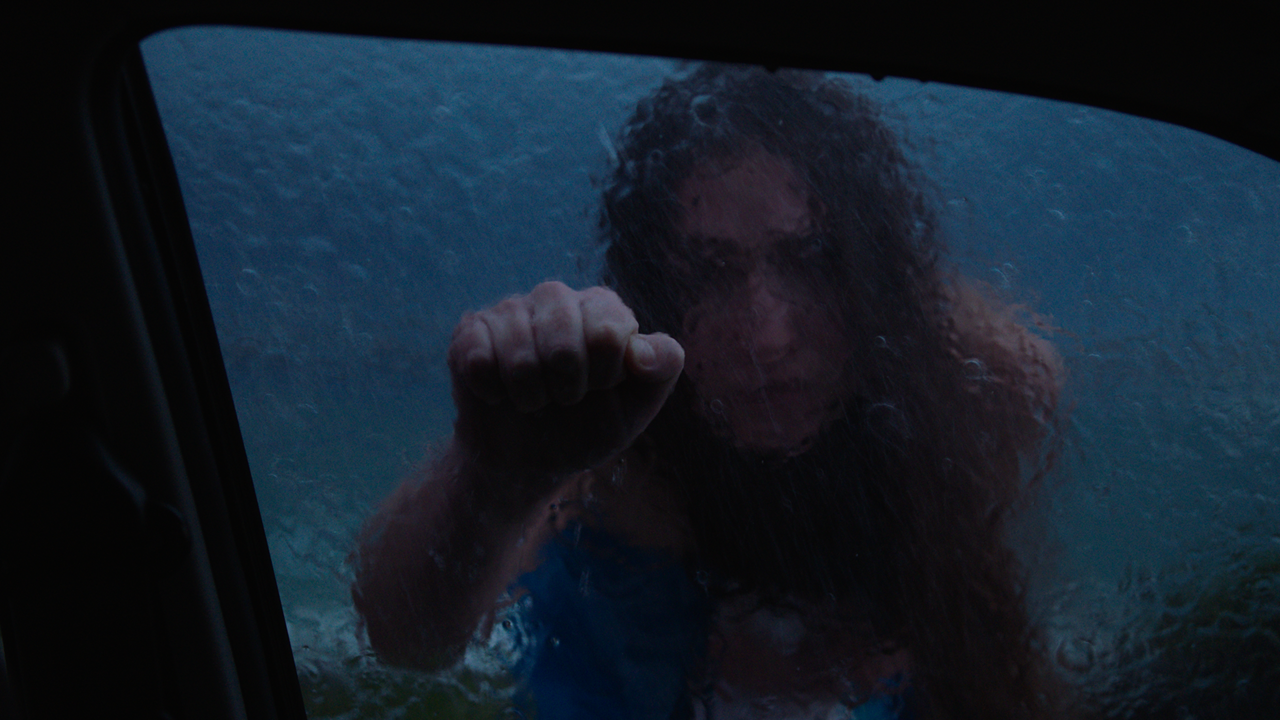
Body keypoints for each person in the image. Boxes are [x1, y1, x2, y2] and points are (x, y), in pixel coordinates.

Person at [352, 64, 1065, 720]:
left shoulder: (977, 383)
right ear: (656, 291)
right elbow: (407, 637)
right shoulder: (621, 419)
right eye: (708, 273)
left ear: (870, 265)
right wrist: (496, 476)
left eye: (812, 258)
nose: (767, 337)